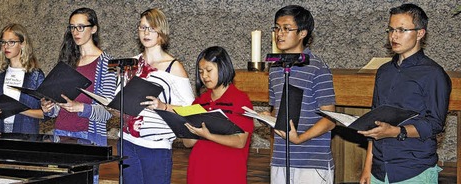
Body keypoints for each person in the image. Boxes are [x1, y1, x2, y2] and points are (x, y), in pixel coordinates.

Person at [358, 4, 451, 184]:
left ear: (420, 33)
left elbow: (435, 124)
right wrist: (367, 167)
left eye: (402, 30)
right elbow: (374, 120)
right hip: (379, 169)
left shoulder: (433, 73)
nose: (394, 36)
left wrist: (396, 132)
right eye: (391, 29)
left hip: (413, 169)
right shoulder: (384, 71)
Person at [40, 8, 116, 184]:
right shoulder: (67, 60)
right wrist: (49, 108)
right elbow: (58, 104)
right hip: (60, 132)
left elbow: (108, 112)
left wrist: (80, 107)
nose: (76, 32)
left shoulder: (107, 63)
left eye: (81, 27)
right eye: (73, 27)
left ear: (94, 29)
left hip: (88, 136)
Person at [120, 8, 195, 184]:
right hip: (127, 142)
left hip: (156, 146)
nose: (146, 33)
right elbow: (120, 101)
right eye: (142, 27)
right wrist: (115, 106)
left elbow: (192, 110)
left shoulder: (173, 67)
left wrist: (163, 106)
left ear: (161, 32)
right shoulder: (132, 63)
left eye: (151, 28)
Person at [267, 5, 337, 184]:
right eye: (277, 28)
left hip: (312, 162)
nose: (279, 34)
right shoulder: (275, 68)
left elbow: (330, 119)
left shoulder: (317, 68)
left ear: (303, 33)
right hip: (281, 160)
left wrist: (300, 138)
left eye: (286, 28)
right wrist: (266, 118)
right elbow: (277, 114)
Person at [182, 46, 254, 184]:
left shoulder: (240, 100)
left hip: (227, 173)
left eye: (209, 70)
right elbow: (187, 143)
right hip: (199, 173)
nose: (204, 76)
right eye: (201, 72)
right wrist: (187, 129)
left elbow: (240, 141)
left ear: (223, 67)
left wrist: (208, 135)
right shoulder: (199, 101)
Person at [0, 23, 45, 134]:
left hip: (26, 134)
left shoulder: (35, 75)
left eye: (11, 42)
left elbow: (45, 114)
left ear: (22, 44)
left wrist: (18, 109)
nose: (6, 46)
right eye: (3, 42)